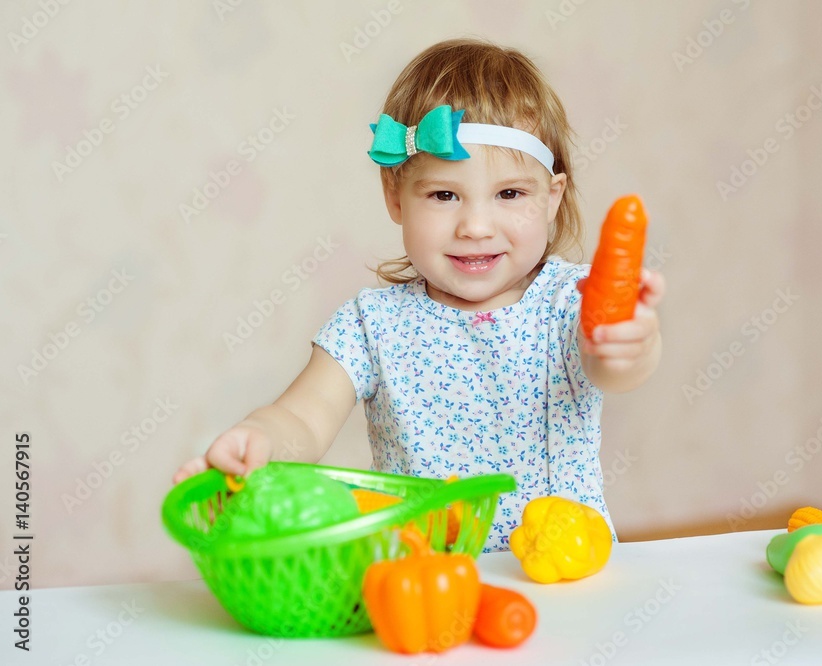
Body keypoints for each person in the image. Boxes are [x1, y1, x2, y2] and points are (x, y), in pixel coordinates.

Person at [173, 38, 664, 551]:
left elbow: (614, 368)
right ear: (396, 197)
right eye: (444, 194)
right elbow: (302, 417)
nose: (476, 226)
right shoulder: (372, 324)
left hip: (561, 574)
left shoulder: (570, 302)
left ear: (550, 198)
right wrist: (260, 441)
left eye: (510, 193)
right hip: (420, 577)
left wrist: (631, 342)